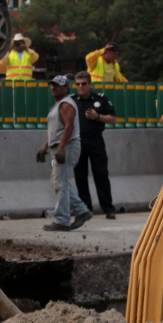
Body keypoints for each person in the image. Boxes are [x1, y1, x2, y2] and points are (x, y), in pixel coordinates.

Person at [37, 75, 91, 231]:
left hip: (67, 147)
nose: (54, 88)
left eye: (58, 86)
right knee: (61, 182)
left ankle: (62, 220)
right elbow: (58, 131)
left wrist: (60, 148)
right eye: (52, 85)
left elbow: (69, 128)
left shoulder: (66, 104)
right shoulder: (58, 104)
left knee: (60, 184)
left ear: (66, 88)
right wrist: (45, 147)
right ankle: (81, 211)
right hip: (61, 146)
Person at [72, 72, 118, 220]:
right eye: (78, 84)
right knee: (80, 176)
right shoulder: (72, 101)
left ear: (90, 85)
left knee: (101, 174)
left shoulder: (101, 99)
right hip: (78, 141)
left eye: (83, 84)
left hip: (96, 141)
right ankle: (86, 208)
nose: (80, 87)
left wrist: (97, 117)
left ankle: (108, 208)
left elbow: (113, 119)